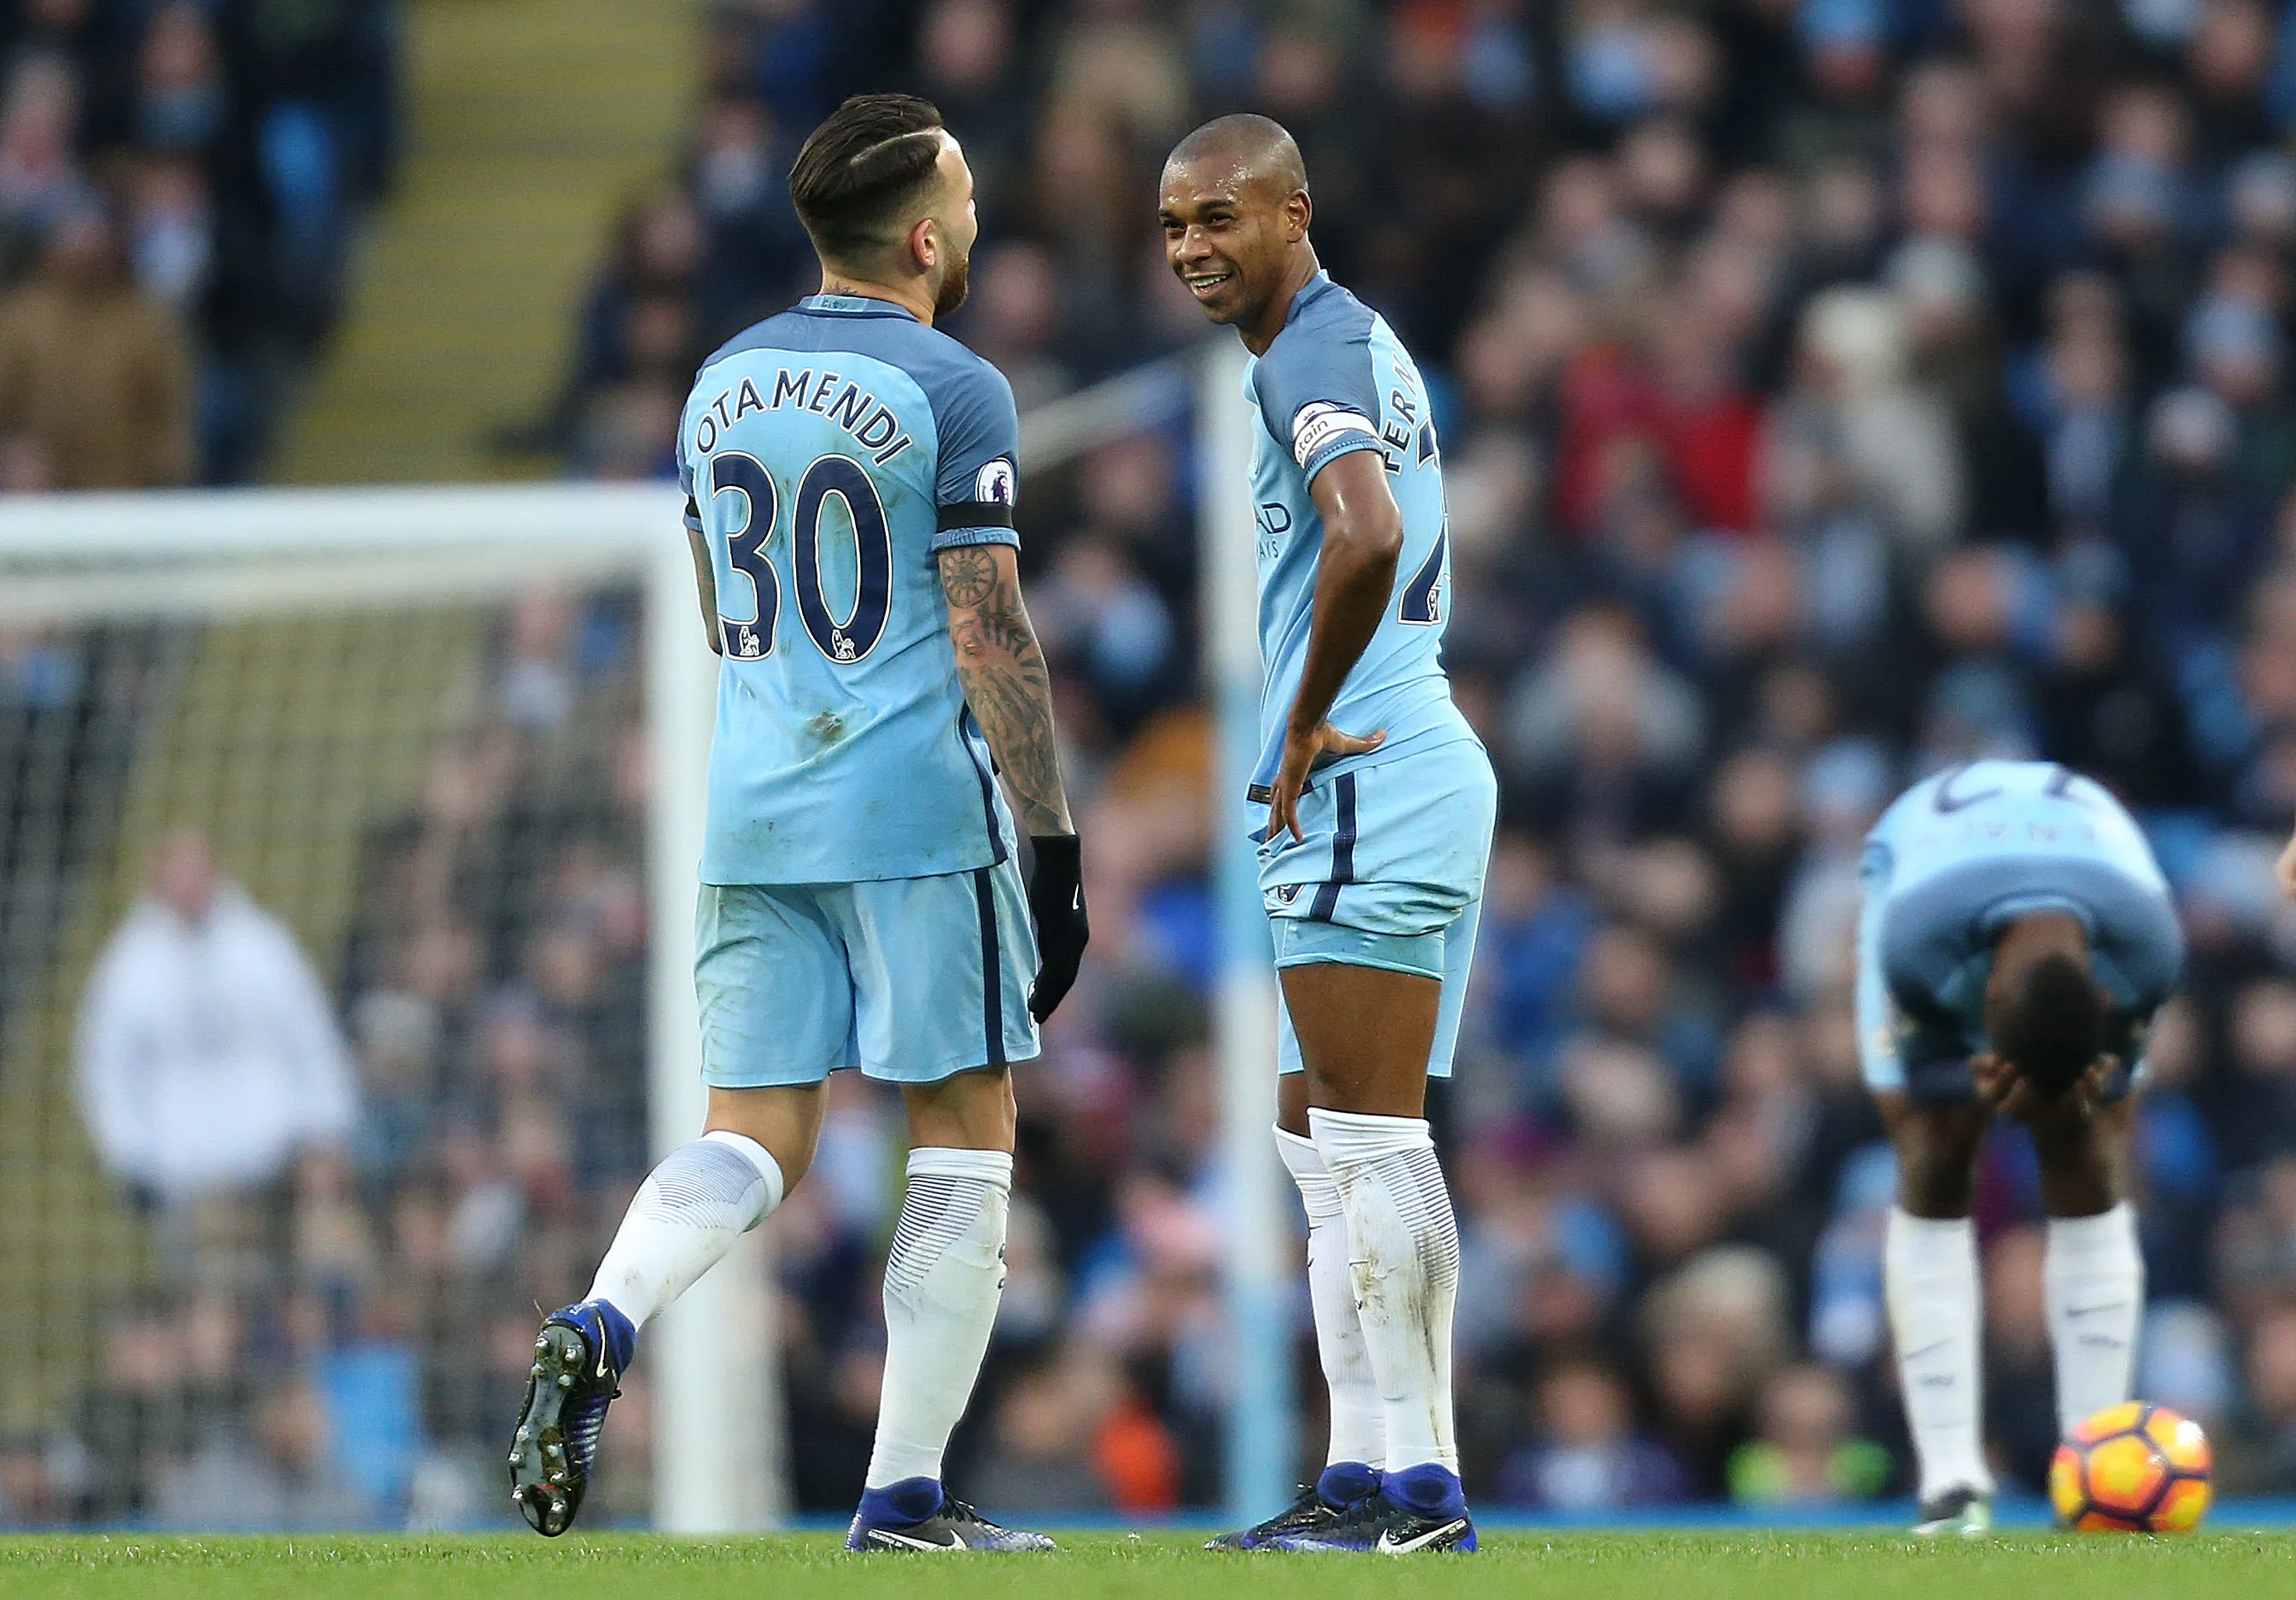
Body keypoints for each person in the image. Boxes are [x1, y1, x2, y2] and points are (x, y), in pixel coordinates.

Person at [506, 93, 1089, 1553]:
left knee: (754, 1130)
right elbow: (990, 630)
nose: (973, 212)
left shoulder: (714, 385)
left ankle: (604, 1309)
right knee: (961, 1128)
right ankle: (901, 1495)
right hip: (910, 808)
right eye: (961, 190)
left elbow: (720, 609)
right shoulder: (956, 388)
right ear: (922, 232)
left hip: (753, 805)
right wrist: (1055, 839)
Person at [1160, 114, 1496, 1554]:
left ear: (1294, 210)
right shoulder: (1343, 343)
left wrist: (1299, 718)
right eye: (1174, 226)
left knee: (1366, 1139)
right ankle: (1362, 1474)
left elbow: (1360, 532)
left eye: (1218, 218)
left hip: (1363, 762)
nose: (1190, 250)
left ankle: (1421, 1485)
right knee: (1320, 1139)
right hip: (1397, 758)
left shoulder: (1309, 351)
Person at [1856, 759, 2182, 1535]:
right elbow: (1905, 1120)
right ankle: (1951, 1482)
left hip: (2091, 872)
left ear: (2104, 999)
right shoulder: (1917, 947)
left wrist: (2066, 1106)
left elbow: (2116, 1138)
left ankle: (2099, 1458)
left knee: (2082, 1149)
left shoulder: (2148, 952)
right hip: (1922, 862)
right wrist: (1973, 1085)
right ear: (1987, 1004)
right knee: (1938, 1151)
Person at [75, 830, 358, 1211]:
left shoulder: (262, 945)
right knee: (222, 1259)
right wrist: (131, 1155)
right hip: (188, 1166)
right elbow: (107, 1068)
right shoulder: (128, 968)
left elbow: (310, 1036)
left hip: (280, 1152)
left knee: (327, 1230)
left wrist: (326, 1126)